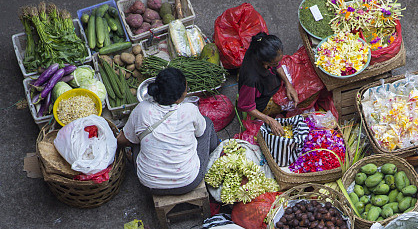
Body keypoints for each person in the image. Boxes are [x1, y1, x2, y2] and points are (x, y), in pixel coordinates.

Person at [116, 67, 218, 195]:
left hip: (150, 184)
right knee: (206, 123)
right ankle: (215, 151)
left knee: (135, 138)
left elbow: (121, 140)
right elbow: (200, 133)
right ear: (179, 98)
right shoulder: (189, 110)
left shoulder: (141, 109)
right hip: (188, 182)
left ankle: (138, 159)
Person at [236, 33, 299, 136]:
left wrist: (288, 84)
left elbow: (278, 65)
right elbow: (245, 106)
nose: (278, 64)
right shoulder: (251, 79)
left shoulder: (260, 45)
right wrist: (270, 120)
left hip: (269, 83)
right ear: (265, 62)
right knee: (300, 99)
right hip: (261, 101)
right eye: (274, 63)